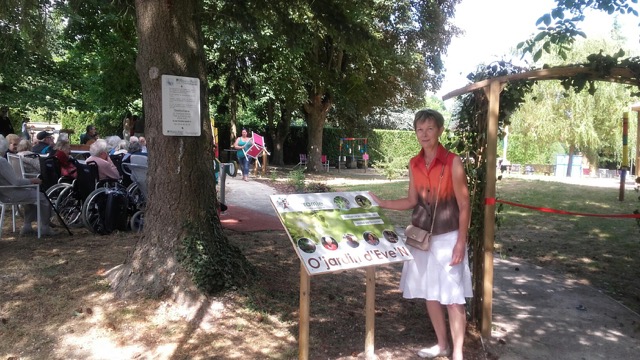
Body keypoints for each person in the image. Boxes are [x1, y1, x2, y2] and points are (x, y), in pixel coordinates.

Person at [370, 109, 472, 360]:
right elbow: (411, 200)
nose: (424, 134)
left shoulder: (453, 162)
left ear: (440, 131)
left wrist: (461, 241)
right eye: (419, 129)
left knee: (453, 297)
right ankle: (442, 345)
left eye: (429, 129)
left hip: (448, 237)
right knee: (430, 293)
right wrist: (381, 202)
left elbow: (465, 204)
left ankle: (457, 353)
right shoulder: (414, 163)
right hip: (422, 239)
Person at [0, 135, 55, 236]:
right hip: (11, 193)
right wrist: (33, 180)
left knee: (32, 195)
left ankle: (27, 226)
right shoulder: (2, 162)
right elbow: (16, 182)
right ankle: (45, 227)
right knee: (42, 198)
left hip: (4, 193)